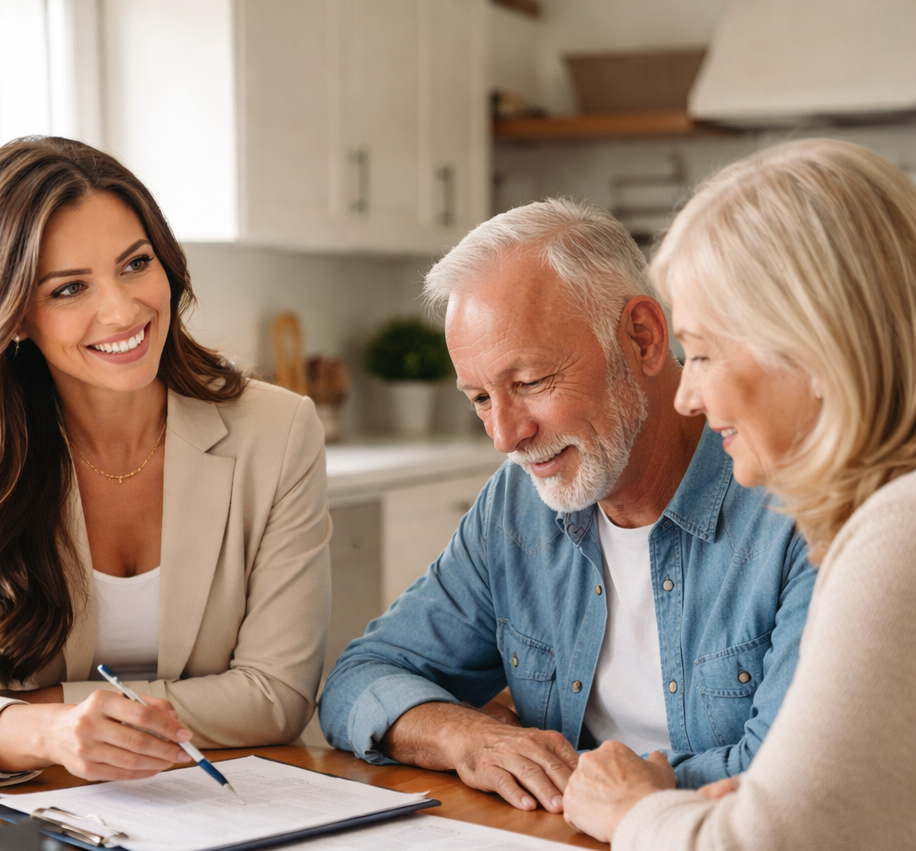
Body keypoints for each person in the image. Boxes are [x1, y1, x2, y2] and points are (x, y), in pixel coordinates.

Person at [561, 139, 916, 851]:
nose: (686, 396)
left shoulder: (902, 536)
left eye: (705, 353)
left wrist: (631, 811)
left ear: (811, 344)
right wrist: (750, 818)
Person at [319, 199, 816, 812]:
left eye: (529, 383)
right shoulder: (517, 502)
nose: (505, 436)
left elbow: (782, 777)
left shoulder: (798, 504)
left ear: (642, 338)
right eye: (479, 398)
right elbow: (358, 679)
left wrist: (578, 781)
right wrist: (467, 737)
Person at [0, 137, 331, 787]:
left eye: (135, 264)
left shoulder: (278, 430)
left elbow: (276, 696)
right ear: (13, 315)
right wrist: (50, 735)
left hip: (234, 799)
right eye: (69, 288)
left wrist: (40, 709)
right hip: (34, 807)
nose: (123, 310)